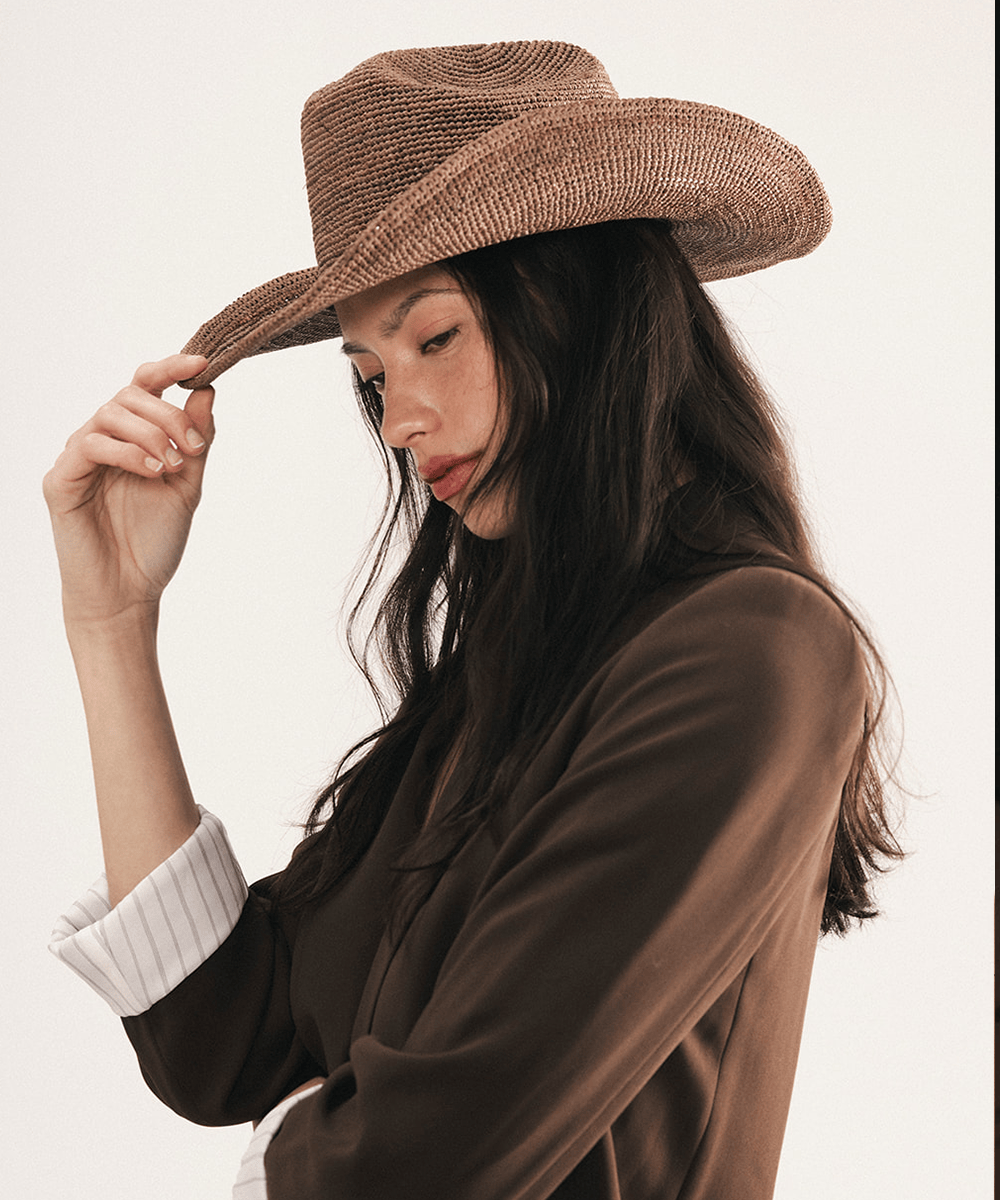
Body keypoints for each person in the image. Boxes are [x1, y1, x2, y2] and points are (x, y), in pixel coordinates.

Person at [44, 41, 902, 1200]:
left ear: (582, 305)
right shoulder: (503, 675)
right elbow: (222, 1037)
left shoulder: (751, 650)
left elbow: (433, 1154)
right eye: (368, 373)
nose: (399, 417)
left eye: (433, 337)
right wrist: (112, 623)